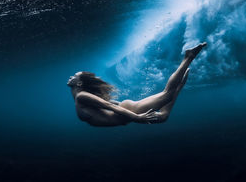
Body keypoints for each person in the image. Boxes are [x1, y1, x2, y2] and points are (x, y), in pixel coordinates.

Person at [67, 42, 207, 126]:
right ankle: (179, 85)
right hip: (127, 114)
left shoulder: (82, 97)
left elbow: (109, 106)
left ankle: (188, 57)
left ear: (79, 83)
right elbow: (108, 106)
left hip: (130, 111)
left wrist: (136, 117)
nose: (71, 77)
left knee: (167, 95)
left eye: (75, 76)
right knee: (164, 116)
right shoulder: (80, 98)